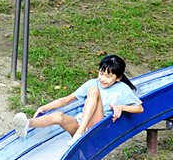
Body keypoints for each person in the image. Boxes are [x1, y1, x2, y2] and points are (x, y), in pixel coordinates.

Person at [12, 54, 143, 143]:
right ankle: (27, 124)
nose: (103, 79)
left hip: (98, 127)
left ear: (118, 78)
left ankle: (80, 133)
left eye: (108, 76)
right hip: (80, 123)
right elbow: (66, 100)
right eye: (101, 73)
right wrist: (43, 107)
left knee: (93, 91)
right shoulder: (92, 82)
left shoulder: (122, 89)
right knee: (58, 116)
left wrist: (121, 107)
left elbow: (139, 108)